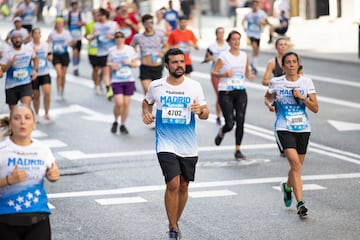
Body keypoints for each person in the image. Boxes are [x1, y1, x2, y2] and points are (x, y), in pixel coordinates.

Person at [143, 48, 209, 240]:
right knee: (173, 183)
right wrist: (146, 114)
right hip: (165, 143)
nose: (179, 65)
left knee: (184, 186)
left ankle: (175, 221)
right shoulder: (156, 86)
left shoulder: (194, 86)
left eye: (181, 61)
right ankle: (172, 227)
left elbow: (205, 114)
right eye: (175, 62)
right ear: (167, 65)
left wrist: (200, 111)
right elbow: (146, 102)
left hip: (188, 145)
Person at [264, 51, 319, 217]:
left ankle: (287, 186)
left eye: (294, 62)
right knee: (295, 165)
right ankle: (300, 204)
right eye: (288, 62)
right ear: (283, 66)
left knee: (297, 167)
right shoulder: (276, 82)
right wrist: (269, 105)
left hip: (302, 128)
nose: (292, 65)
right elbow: (267, 97)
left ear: (298, 64)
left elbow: (315, 108)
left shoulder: (306, 82)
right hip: (283, 127)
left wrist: (302, 97)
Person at [0, 104, 60, 240]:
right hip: (6, 221)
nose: (22, 122)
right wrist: (8, 180)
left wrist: (54, 175)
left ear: (33, 124)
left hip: (38, 220)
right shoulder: (2, 150)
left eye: (27, 118)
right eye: (17, 118)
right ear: (10, 123)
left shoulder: (43, 149)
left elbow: (54, 171)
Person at [212, 30, 255, 160]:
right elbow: (214, 72)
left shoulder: (244, 55)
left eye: (238, 39)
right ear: (229, 42)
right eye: (234, 39)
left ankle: (238, 150)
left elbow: (246, 72)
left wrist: (250, 75)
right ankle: (222, 131)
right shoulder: (223, 56)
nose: (236, 42)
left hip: (240, 91)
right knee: (230, 123)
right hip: (226, 92)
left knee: (240, 120)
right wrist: (224, 75)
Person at [262, 37, 288, 157]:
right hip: (278, 96)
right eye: (280, 45)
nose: (283, 47)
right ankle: (282, 147)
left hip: (292, 96)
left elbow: (301, 76)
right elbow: (265, 80)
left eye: (285, 45)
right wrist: (278, 82)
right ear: (276, 47)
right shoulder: (272, 63)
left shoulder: (293, 61)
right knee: (281, 120)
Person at [0, 30, 38, 111]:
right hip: (11, 86)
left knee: (26, 108)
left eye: (19, 38)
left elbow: (35, 58)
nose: (17, 40)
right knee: (14, 112)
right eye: (15, 38)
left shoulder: (28, 49)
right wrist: (10, 63)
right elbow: (2, 70)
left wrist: (35, 70)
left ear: (22, 39)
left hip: (25, 83)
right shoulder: (7, 52)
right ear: (11, 40)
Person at [108, 30, 137, 135]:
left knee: (126, 104)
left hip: (128, 80)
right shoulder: (111, 51)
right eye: (117, 37)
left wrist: (129, 63)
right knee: (119, 103)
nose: (119, 39)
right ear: (115, 39)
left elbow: (135, 64)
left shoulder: (130, 50)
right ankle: (115, 121)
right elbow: (109, 64)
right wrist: (112, 66)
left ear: (124, 38)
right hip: (116, 80)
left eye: (121, 37)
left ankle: (123, 124)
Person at [131, 14, 168, 95]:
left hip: (157, 67)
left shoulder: (159, 34)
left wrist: (162, 52)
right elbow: (131, 48)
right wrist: (134, 56)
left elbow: (166, 45)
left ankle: (156, 108)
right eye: (147, 23)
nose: (150, 25)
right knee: (147, 94)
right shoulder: (138, 37)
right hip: (145, 68)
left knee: (157, 94)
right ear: (143, 24)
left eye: (151, 23)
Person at [91, 8, 118, 101]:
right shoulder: (96, 25)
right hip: (102, 52)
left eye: (98, 15)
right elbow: (90, 37)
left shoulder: (113, 24)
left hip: (113, 52)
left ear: (104, 15)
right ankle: (108, 89)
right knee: (106, 72)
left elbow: (120, 36)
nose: (96, 17)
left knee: (112, 72)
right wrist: (93, 35)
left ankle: (109, 86)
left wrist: (113, 36)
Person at [27, 28, 53, 123]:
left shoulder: (45, 45)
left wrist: (49, 57)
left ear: (41, 35)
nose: (37, 35)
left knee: (47, 92)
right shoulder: (28, 46)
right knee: (36, 95)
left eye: (39, 33)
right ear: (32, 35)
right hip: (34, 73)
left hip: (44, 72)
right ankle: (37, 113)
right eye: (35, 33)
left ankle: (46, 113)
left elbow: (50, 55)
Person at [206, 27, 230, 126]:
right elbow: (206, 58)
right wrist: (213, 58)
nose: (221, 34)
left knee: (227, 95)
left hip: (225, 74)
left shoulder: (227, 46)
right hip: (215, 73)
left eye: (222, 33)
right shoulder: (212, 46)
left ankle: (226, 115)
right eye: (219, 33)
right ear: (216, 34)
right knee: (220, 95)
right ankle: (219, 116)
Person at [47, 17, 74, 101]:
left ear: (63, 24)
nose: (59, 25)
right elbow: (48, 43)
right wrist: (49, 53)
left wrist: (72, 43)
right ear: (56, 24)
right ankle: (58, 92)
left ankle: (62, 91)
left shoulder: (66, 33)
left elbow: (71, 43)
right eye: (57, 23)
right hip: (56, 55)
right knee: (59, 74)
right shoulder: (53, 34)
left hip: (64, 55)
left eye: (60, 23)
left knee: (63, 75)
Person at [242, 0, 269, 74]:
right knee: (254, 47)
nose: (255, 7)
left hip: (258, 33)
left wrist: (262, 23)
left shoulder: (261, 13)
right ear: (251, 6)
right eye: (254, 5)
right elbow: (243, 20)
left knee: (256, 50)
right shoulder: (248, 14)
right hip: (250, 33)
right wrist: (244, 28)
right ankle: (254, 66)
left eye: (257, 5)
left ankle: (254, 64)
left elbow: (267, 22)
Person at [85, 9, 103, 95]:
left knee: (103, 69)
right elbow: (86, 35)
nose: (97, 16)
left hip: (102, 50)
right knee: (95, 69)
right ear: (93, 15)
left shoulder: (103, 24)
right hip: (92, 50)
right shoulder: (89, 25)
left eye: (98, 14)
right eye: (95, 14)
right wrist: (90, 37)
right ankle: (95, 85)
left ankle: (100, 82)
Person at [65, 1, 86, 76]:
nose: (75, 7)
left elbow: (85, 23)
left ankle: (76, 65)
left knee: (78, 53)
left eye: (76, 6)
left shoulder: (81, 14)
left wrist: (81, 23)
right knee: (75, 52)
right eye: (74, 6)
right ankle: (75, 68)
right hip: (71, 37)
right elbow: (65, 23)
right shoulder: (69, 14)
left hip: (78, 37)